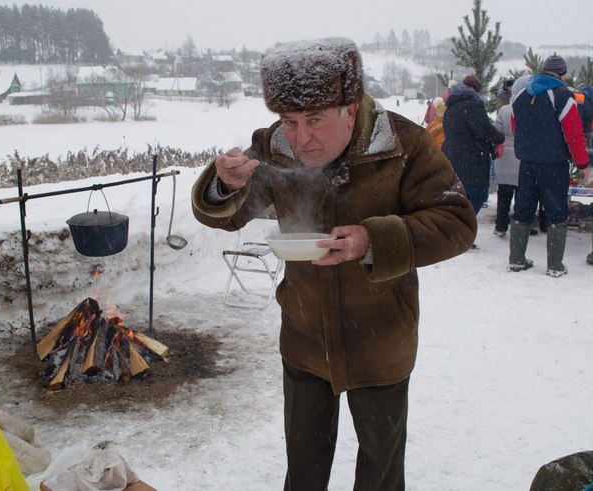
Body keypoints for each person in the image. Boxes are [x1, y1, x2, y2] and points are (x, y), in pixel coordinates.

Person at [191, 38, 477, 491]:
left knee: (381, 472)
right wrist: (225, 185)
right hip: (304, 339)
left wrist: (373, 239)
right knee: (303, 469)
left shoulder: (403, 144)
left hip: (381, 341)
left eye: (315, 120)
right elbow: (226, 214)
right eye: (290, 120)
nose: (300, 138)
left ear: (350, 107)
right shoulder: (275, 145)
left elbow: (458, 222)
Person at [509, 54, 590, 277]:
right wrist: (582, 163)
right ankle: (555, 265)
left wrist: (530, 148)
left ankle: (516, 259)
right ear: (563, 74)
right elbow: (574, 134)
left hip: (527, 162)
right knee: (556, 211)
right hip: (554, 164)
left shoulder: (520, 95)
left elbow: (516, 127)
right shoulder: (563, 96)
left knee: (523, 208)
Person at [442, 74, 505, 218]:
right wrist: (500, 138)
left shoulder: (451, 106)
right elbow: (486, 130)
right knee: (476, 196)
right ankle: (461, 235)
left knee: (459, 198)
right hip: (471, 160)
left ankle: (459, 235)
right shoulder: (472, 106)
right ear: (476, 90)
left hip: (451, 157)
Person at [492, 76, 527, 237]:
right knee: (521, 194)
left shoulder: (505, 110)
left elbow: (496, 132)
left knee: (504, 194)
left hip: (504, 156)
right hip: (521, 156)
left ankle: (501, 225)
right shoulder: (528, 108)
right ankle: (521, 224)